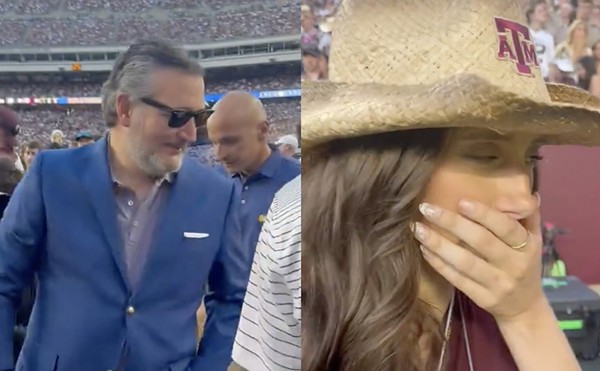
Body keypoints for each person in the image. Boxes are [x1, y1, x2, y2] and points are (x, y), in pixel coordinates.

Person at [301, 1, 600, 371]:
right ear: (385, 171)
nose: (524, 200)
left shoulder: (500, 300)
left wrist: (526, 313)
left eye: (530, 158)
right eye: (485, 156)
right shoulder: (298, 322)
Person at [0, 39, 249, 371]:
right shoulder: (51, 176)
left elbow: (234, 299)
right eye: (177, 117)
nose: (191, 133)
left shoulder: (217, 194)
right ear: (125, 109)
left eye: (198, 116)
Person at [207, 91, 300, 255]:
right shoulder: (214, 182)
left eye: (230, 141)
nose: (219, 154)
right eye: (214, 143)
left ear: (263, 130)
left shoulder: (300, 182)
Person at [232, 175, 301, 371]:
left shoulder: (289, 187)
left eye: (230, 142)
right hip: (258, 318)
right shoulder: (290, 195)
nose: (220, 154)